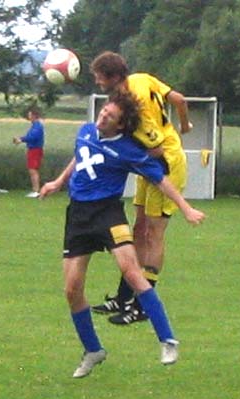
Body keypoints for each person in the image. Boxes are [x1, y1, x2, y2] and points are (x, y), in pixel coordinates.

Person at [39, 93, 205, 378]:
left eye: (110, 116)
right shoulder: (86, 130)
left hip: (108, 214)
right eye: (104, 111)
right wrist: (58, 181)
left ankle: (167, 339)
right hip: (78, 216)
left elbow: (161, 180)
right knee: (72, 289)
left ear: (120, 126)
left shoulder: (130, 150)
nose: (102, 117)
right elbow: (80, 155)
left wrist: (186, 208)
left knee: (131, 271)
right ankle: (93, 350)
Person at [90, 51, 193, 325]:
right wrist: (184, 125)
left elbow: (156, 148)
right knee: (137, 228)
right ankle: (124, 296)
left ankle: (143, 305)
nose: (97, 83)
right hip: (146, 163)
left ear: (113, 77)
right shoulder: (140, 79)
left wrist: (124, 147)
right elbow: (179, 100)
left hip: (163, 163)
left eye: (100, 78)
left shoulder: (136, 105)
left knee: (153, 233)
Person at [13, 107, 45, 198]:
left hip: (35, 150)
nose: (28, 116)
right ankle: (35, 189)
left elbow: (32, 137)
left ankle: (36, 191)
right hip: (33, 150)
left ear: (34, 116)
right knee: (32, 170)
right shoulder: (35, 125)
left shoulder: (37, 126)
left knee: (33, 170)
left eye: (30, 115)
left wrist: (21, 139)